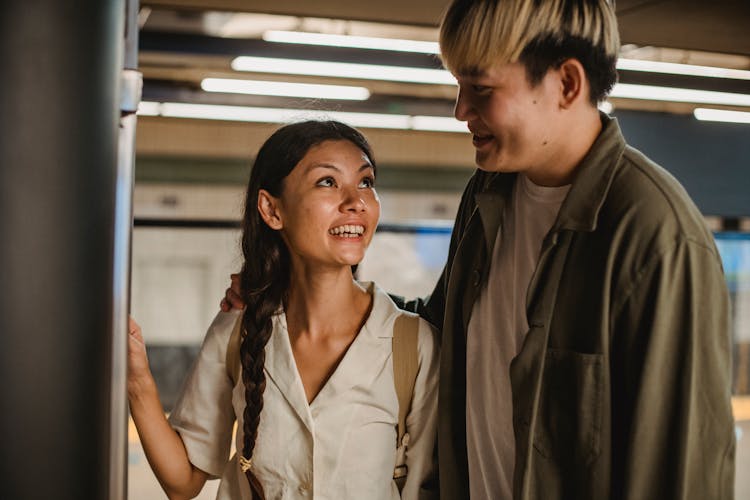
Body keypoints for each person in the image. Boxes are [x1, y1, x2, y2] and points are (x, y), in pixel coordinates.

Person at [217, 1, 737, 499]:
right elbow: (446, 332)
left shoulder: (654, 238)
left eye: (481, 88)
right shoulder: (490, 194)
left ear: (567, 84)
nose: (461, 109)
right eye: (458, 85)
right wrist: (309, 297)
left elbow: (681, 472)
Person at [128, 120, 439, 500]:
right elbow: (185, 478)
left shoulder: (414, 345)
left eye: (366, 182)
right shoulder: (237, 332)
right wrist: (138, 382)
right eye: (327, 182)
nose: (355, 200)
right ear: (272, 209)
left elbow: (428, 488)